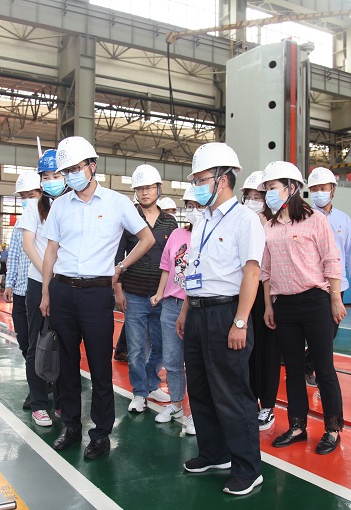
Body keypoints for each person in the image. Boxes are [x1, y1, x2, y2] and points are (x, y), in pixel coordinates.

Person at [39, 136, 154, 460]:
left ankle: (101, 433)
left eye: (76, 168)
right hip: (62, 290)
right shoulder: (60, 205)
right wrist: (46, 291)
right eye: (67, 171)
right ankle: (71, 425)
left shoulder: (117, 203)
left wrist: (121, 267)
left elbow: (146, 238)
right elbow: (51, 251)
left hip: (96, 293)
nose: (72, 175)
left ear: (92, 166)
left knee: (101, 365)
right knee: (66, 364)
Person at [175, 143, 266, 496]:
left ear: (223, 179)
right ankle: (215, 453)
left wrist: (240, 322)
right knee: (200, 390)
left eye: (201, 180)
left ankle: (248, 468)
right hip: (198, 313)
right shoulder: (202, 222)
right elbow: (194, 272)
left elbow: (252, 273)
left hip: (227, 312)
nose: (196, 186)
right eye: (195, 180)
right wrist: (186, 311)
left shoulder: (245, 220)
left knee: (232, 393)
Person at [260, 161, 345, 456]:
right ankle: (297, 426)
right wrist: (269, 306)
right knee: (293, 371)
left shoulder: (315, 220)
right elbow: (266, 271)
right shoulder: (270, 227)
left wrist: (335, 298)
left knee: (324, 368)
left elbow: (331, 259)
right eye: (267, 189)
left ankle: (333, 429)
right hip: (284, 305)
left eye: (273, 188)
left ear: (291, 187)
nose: (269, 194)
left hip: (315, 302)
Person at [115, 164, 177, 413]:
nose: (145, 192)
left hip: (163, 295)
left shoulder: (169, 222)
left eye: (149, 187)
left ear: (158, 189)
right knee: (136, 348)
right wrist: (118, 290)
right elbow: (119, 255)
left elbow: (175, 259)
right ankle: (140, 392)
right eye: (140, 188)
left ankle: (151, 382)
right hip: (134, 293)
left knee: (162, 346)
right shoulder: (129, 219)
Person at [17, 151, 67, 427]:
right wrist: (48, 275)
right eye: (46, 177)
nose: (51, 181)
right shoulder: (34, 208)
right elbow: (29, 245)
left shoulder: (72, 205)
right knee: (37, 343)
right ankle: (39, 403)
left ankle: (61, 402)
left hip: (66, 284)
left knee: (64, 345)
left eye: (56, 175)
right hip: (39, 283)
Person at [149, 186, 202, 434]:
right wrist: (160, 293)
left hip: (197, 306)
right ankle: (176, 404)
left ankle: (198, 413)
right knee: (171, 360)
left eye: (198, 206)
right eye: (189, 206)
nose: (193, 210)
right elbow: (166, 268)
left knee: (197, 362)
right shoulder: (177, 234)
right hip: (171, 305)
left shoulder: (211, 234)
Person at [305, 167, 351, 385]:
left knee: (331, 333)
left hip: (339, 285)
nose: (319, 193)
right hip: (315, 284)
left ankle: (306, 364)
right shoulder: (306, 217)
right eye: (314, 189)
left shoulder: (344, 220)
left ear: (333, 190)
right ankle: (315, 372)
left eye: (323, 188)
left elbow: (350, 251)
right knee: (321, 333)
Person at [240, 170, 280, 431]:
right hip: (243, 294)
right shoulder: (239, 222)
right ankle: (249, 398)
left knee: (267, 353)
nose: (253, 201)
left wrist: (268, 304)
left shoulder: (274, 226)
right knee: (246, 352)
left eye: (259, 197)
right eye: (250, 197)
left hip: (266, 297)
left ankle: (267, 404)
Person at [3, 171, 41, 410]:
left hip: (41, 292)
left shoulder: (49, 219)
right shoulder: (19, 224)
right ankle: (40, 383)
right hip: (20, 292)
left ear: (41, 193)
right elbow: (15, 255)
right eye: (23, 197)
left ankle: (37, 391)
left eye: (31, 195)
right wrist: (9, 283)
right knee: (25, 342)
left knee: (40, 345)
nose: (27, 200)